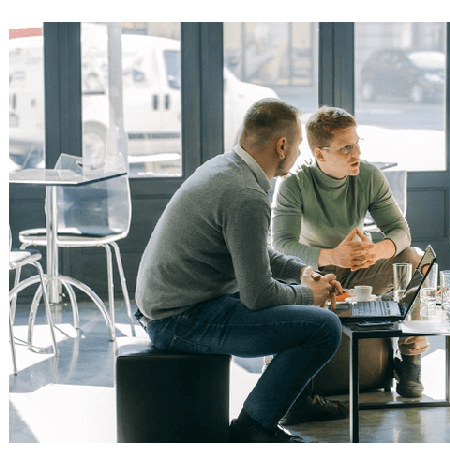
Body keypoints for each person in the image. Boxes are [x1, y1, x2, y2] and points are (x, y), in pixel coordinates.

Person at [134, 98, 344, 443]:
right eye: (299, 147)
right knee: (323, 327)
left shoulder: (226, 167)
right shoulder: (246, 194)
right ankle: (253, 428)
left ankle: (298, 402)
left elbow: (252, 250)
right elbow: (258, 295)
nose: (298, 155)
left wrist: (302, 273)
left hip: (173, 304)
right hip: (178, 319)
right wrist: (311, 295)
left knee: (302, 309)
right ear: (281, 145)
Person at [271, 105, 427, 419]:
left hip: (358, 267)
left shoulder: (368, 175)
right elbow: (281, 244)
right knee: (298, 277)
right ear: (320, 153)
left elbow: (401, 232)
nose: (356, 152)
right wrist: (330, 256)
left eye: (357, 143)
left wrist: (378, 251)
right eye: (345, 147)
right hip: (314, 272)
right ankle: (302, 386)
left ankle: (410, 361)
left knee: (415, 259)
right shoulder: (293, 183)